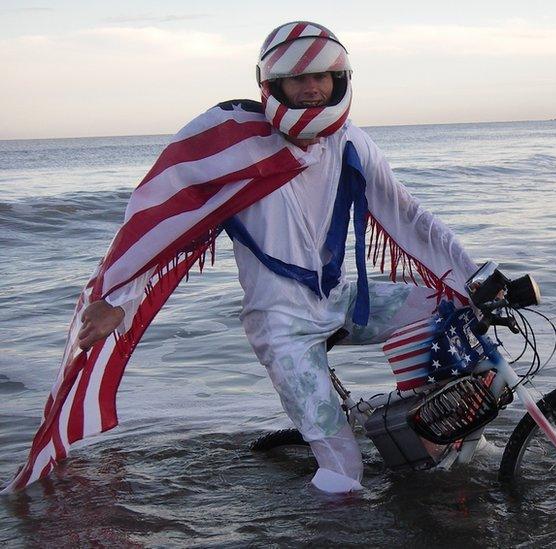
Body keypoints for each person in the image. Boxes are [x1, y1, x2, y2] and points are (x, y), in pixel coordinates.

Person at [72, 21, 477, 494]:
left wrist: (475, 276)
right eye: (296, 78)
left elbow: (408, 216)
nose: (311, 87)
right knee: (345, 473)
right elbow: (163, 216)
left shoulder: (349, 141)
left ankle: (423, 430)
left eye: (321, 76)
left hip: (339, 300)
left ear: (339, 81)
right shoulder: (233, 143)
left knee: (450, 308)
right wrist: (118, 298)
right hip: (282, 324)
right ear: (271, 84)